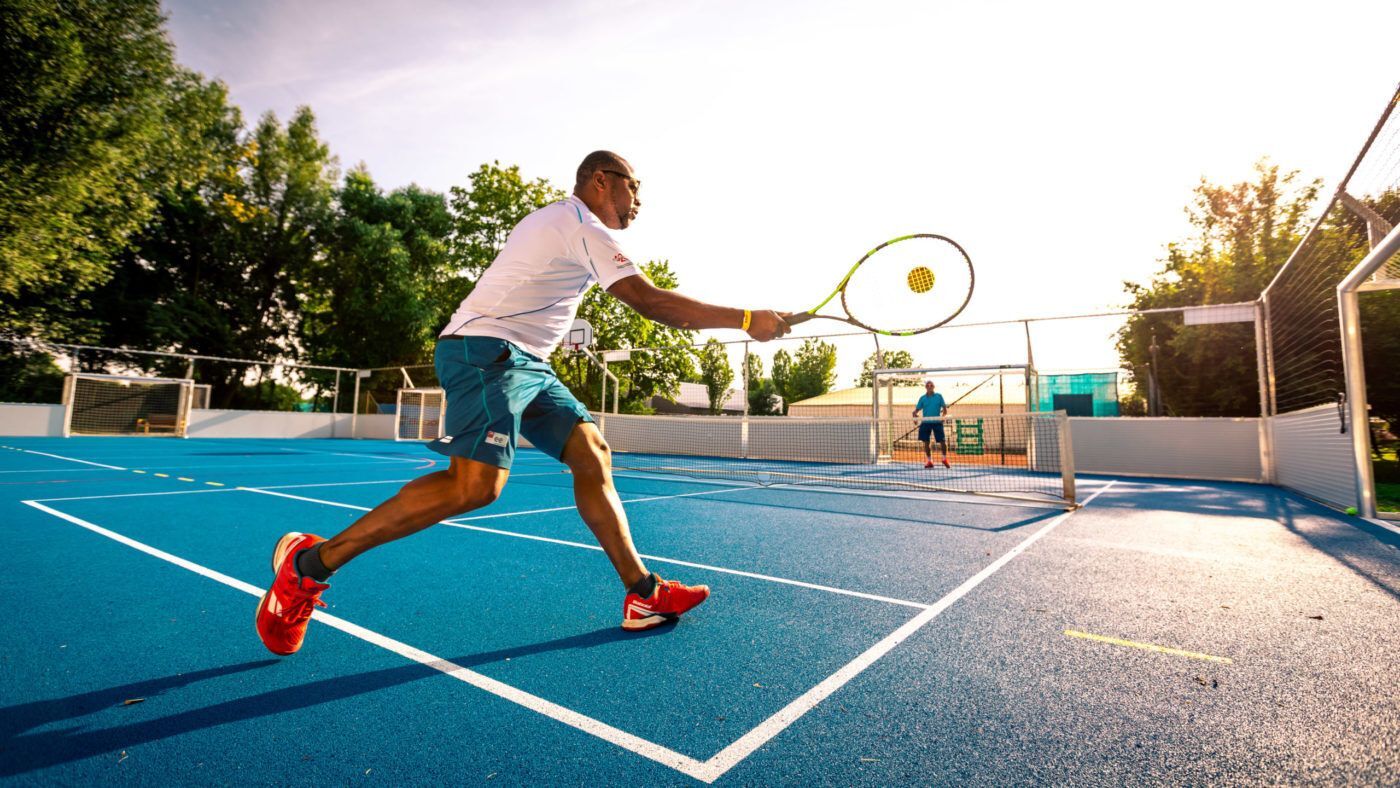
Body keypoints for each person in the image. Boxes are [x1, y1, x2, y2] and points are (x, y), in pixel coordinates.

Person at [256, 151, 791, 655]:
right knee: (476, 487)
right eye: (633, 184)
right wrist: (749, 319)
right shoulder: (580, 224)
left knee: (591, 453)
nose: (639, 199)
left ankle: (642, 591)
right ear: (599, 179)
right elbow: (651, 302)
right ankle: (310, 564)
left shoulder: (564, 225)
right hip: (487, 351)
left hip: (526, 361)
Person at [912, 380, 949, 469]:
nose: (929, 386)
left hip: (937, 422)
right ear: (926, 387)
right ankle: (929, 461)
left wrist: (943, 416)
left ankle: (944, 459)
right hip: (926, 422)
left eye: (931, 385)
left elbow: (944, 409)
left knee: (943, 441)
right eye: (927, 385)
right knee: (926, 442)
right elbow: (915, 411)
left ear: (933, 386)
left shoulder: (939, 396)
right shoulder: (922, 398)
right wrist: (915, 417)